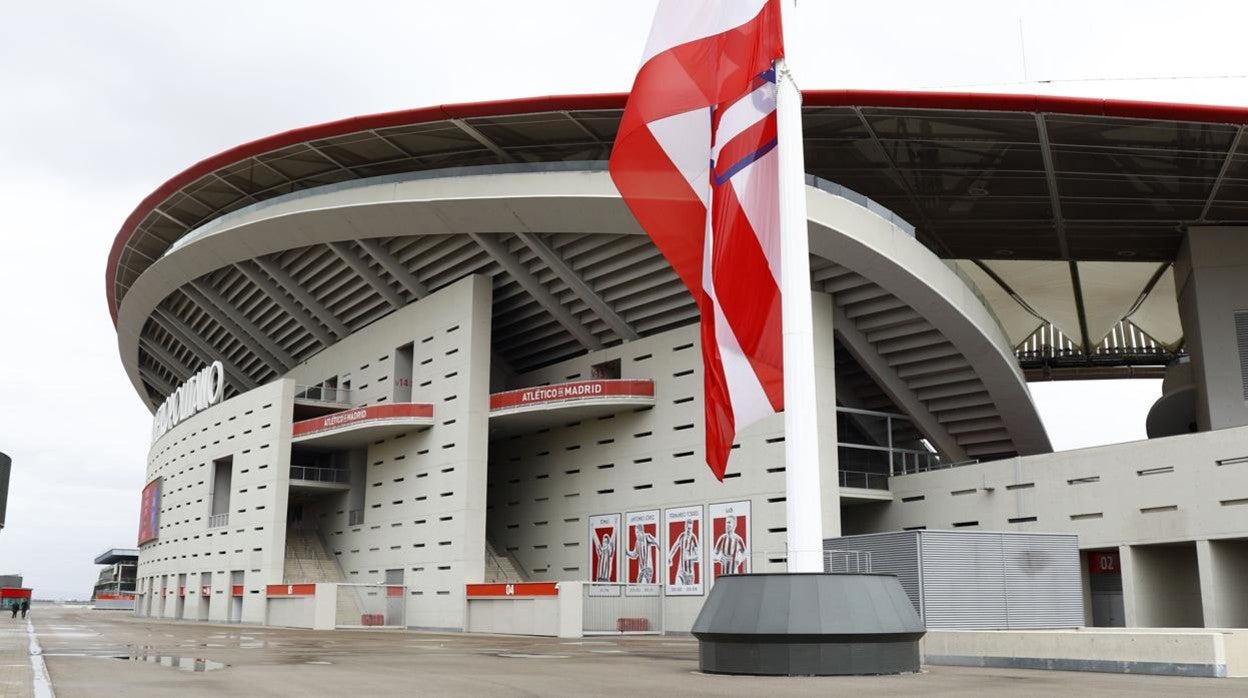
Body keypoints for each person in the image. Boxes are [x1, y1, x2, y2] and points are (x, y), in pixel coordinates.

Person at [668, 518, 700, 586]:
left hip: (689, 574)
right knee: (677, 585)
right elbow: (675, 546)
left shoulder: (693, 538)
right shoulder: (682, 536)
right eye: (688, 528)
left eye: (690, 528)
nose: (689, 530)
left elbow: (698, 557)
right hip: (681, 572)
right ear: (685, 526)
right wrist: (670, 557)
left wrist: (689, 558)